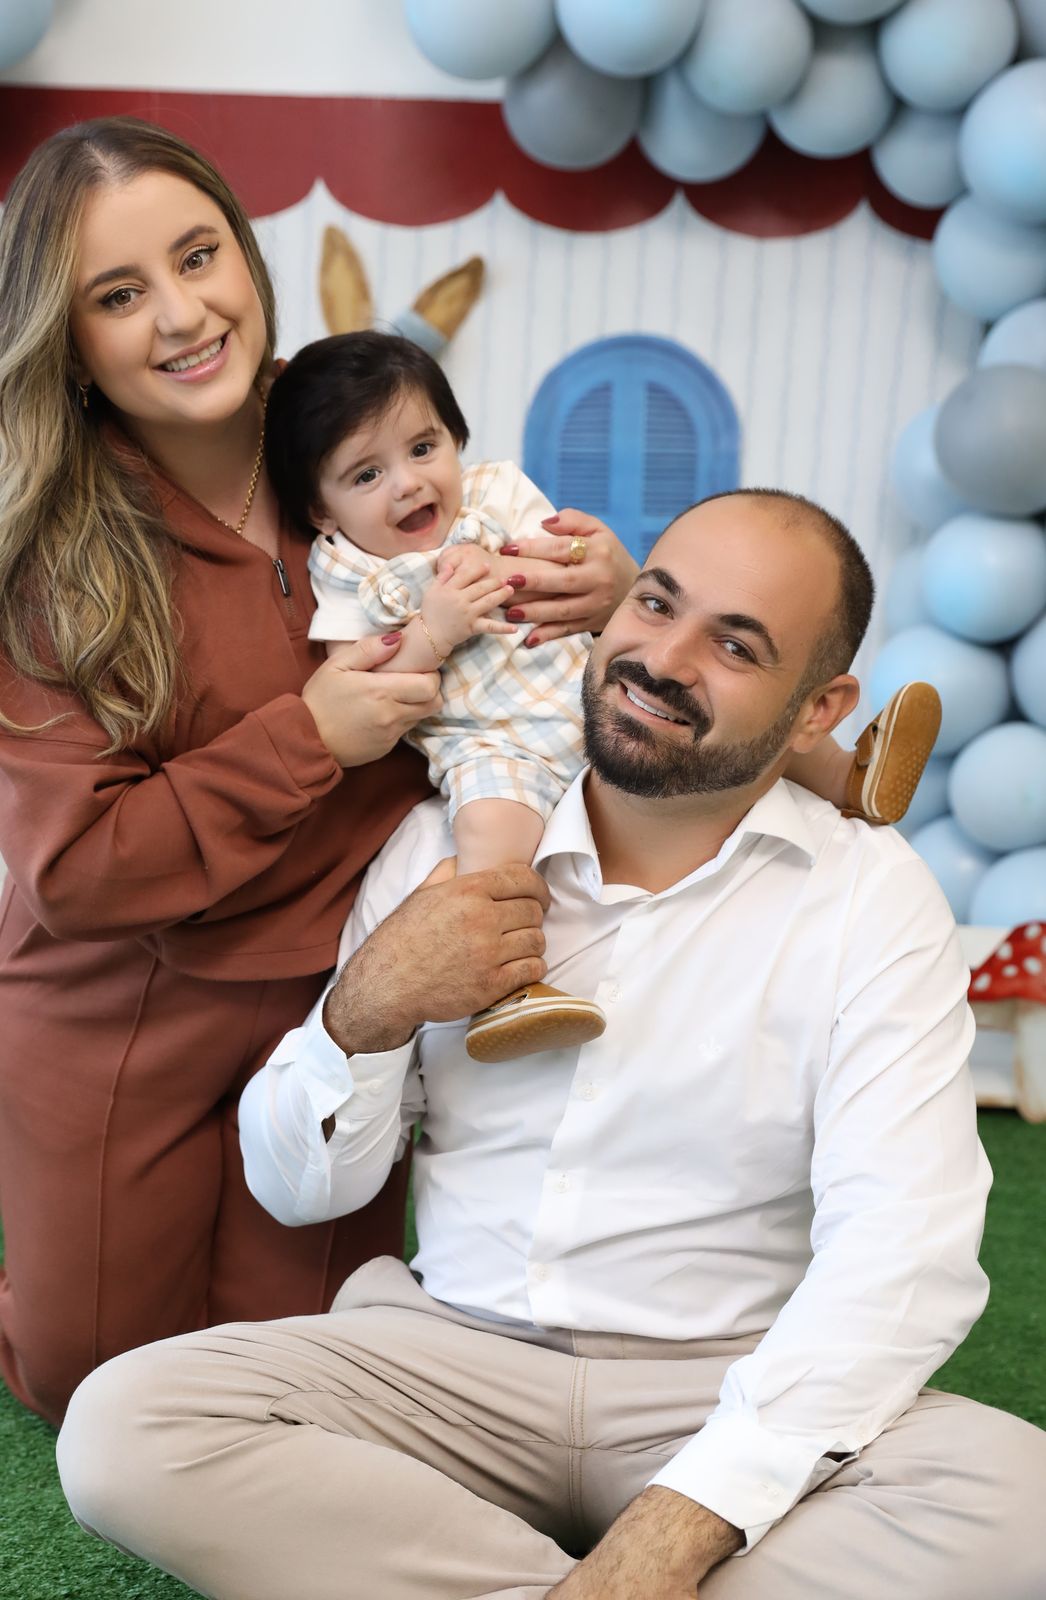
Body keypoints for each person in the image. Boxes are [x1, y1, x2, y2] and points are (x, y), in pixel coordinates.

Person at [49, 489, 1046, 1600]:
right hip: (446, 1366)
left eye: (735, 645)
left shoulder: (872, 897)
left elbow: (901, 1254)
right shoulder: (446, 845)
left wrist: (673, 1535)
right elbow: (301, 1190)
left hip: (719, 1382)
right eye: (657, 602)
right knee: (124, 1429)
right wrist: (360, 1013)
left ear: (820, 711)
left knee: (1022, 1500)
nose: (662, 659)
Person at [0, 117, 636, 1428]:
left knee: (302, 1380)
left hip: (334, 998)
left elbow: (509, 582)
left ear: (247, 260)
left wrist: (606, 583)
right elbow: (78, 872)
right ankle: (53, 1289)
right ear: (67, 345)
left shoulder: (347, 428)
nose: (183, 314)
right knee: (97, 1384)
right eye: (119, 295)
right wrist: (309, 734)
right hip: (124, 1004)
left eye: (199, 257)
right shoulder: (53, 558)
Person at [265, 331, 942, 1060]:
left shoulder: (495, 494)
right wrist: (434, 628)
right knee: (492, 848)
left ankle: (848, 777)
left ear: (456, 440)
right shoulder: (348, 576)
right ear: (322, 510)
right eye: (367, 475)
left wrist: (579, 565)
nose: (407, 483)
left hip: (582, 682)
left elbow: (571, 566)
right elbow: (365, 684)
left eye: (423, 448)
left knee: (733, 718)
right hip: (492, 743)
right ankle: (505, 991)